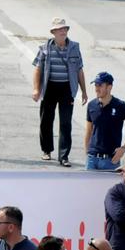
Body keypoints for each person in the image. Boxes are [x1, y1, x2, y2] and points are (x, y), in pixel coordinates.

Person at [32, 17, 88, 167]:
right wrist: (36, 89)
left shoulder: (75, 47)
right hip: (49, 87)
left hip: (66, 89)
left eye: (65, 29)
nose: (63, 31)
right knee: (46, 120)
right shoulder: (45, 48)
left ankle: (64, 156)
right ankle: (46, 150)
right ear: (53, 32)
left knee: (65, 123)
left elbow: (79, 70)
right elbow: (38, 69)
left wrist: (84, 91)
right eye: (60, 29)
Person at [84, 72, 125, 171]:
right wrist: (87, 154)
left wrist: (123, 149)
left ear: (109, 87)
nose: (97, 88)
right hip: (92, 160)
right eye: (96, 85)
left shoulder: (120, 106)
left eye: (100, 85)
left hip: (110, 161)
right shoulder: (91, 105)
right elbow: (88, 131)